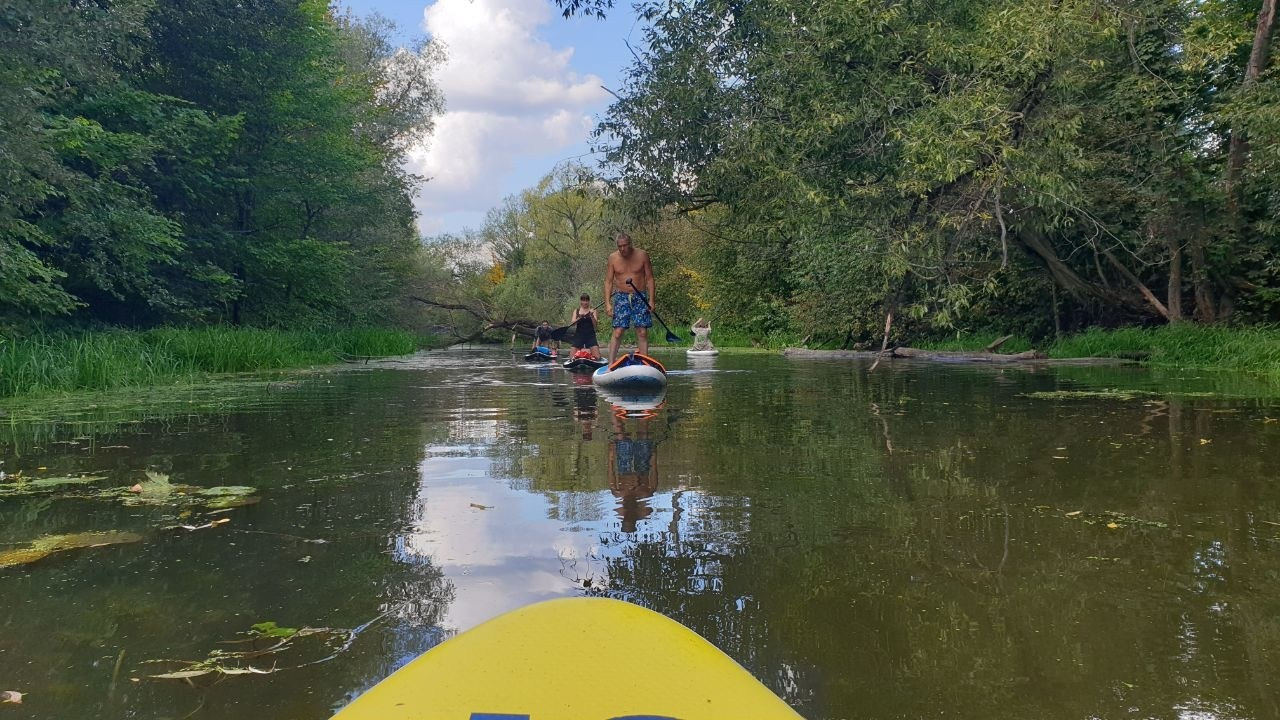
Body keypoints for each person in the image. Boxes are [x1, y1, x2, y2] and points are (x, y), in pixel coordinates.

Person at [604, 232, 654, 363]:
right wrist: (608, 303)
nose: (622, 249)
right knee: (618, 331)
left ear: (630, 244)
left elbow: (649, 278)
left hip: (640, 296)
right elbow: (608, 281)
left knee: (642, 331)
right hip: (621, 297)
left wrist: (652, 300)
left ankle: (645, 363)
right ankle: (611, 364)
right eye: (619, 246)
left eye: (625, 246)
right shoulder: (612, 258)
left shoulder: (642, 255)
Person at [568, 294, 602, 360]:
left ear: (589, 301)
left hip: (590, 336)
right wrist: (579, 318)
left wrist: (592, 316)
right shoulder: (576, 311)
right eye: (583, 300)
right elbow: (572, 324)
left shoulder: (593, 310)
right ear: (581, 301)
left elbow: (595, 325)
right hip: (578, 336)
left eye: (586, 300)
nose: (585, 302)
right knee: (571, 358)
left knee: (598, 357)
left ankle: (590, 356)